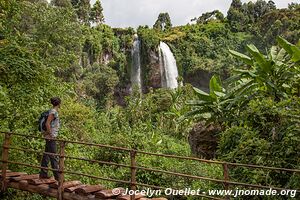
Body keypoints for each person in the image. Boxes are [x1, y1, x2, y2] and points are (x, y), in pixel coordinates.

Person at [39, 97, 61, 181]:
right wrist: (51, 135)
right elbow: (48, 123)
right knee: (53, 156)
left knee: (46, 155)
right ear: (59, 104)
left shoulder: (51, 111)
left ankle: (43, 174)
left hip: (49, 136)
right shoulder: (53, 112)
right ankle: (58, 178)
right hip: (50, 137)